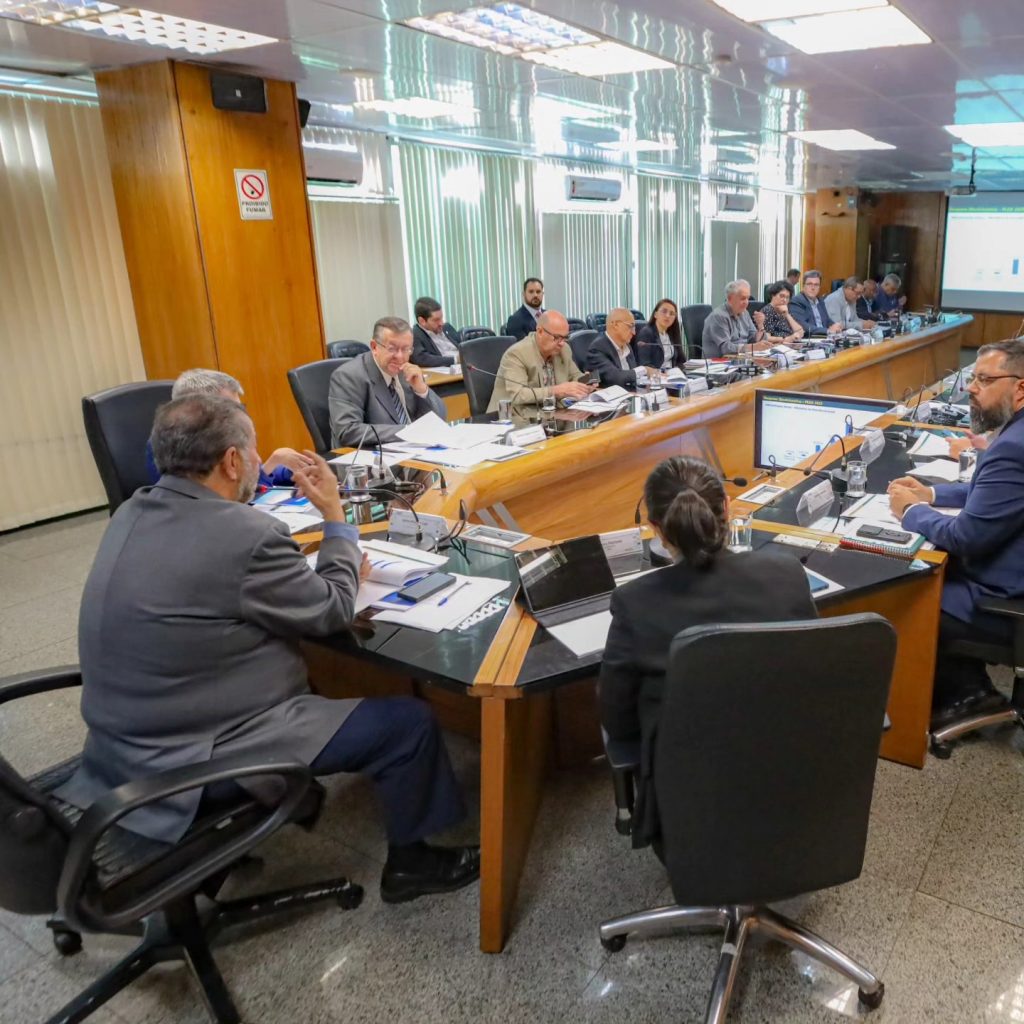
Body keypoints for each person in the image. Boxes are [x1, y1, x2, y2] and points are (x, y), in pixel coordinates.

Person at [58, 394, 479, 902]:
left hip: (116, 747)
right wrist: (334, 518)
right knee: (408, 724)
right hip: (195, 756)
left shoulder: (130, 510)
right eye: (254, 449)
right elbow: (331, 609)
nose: (260, 459)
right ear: (232, 461)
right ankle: (414, 865)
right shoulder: (246, 533)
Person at [599, 456, 818, 848]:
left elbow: (618, 721)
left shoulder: (635, 604)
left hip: (687, 806)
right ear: (728, 510)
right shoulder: (786, 573)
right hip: (790, 779)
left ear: (656, 531)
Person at [887, 340, 1024, 725]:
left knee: (905, 592)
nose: (971, 388)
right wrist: (930, 493)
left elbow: (966, 536)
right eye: (972, 377)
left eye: (984, 379)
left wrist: (911, 511)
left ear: (1020, 388)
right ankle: (971, 687)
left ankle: (924, 708)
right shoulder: (1015, 436)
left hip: (1004, 599)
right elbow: (991, 493)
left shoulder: (1013, 448)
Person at [145, 368, 314, 487]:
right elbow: (227, 497)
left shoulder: (221, 434)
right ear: (197, 409)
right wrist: (269, 466)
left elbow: (243, 475)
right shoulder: (175, 448)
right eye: (231, 410)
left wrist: (291, 474)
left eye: (240, 409)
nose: (240, 416)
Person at [329, 316, 447, 448]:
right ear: (374, 347)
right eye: (392, 349)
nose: (400, 357)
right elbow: (348, 431)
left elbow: (440, 418)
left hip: (415, 454)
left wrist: (422, 390)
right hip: (372, 460)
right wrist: (407, 432)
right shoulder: (349, 376)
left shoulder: (407, 371)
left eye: (406, 349)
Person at [486, 310, 593, 415]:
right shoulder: (516, 354)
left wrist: (585, 383)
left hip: (548, 415)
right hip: (510, 418)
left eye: (565, 338)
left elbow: (574, 375)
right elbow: (518, 395)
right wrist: (556, 391)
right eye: (557, 337)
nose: (561, 343)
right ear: (540, 331)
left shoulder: (564, 350)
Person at [701, 279, 770, 358]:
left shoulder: (745, 313)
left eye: (748, 298)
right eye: (743, 298)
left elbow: (753, 340)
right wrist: (753, 347)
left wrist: (760, 325)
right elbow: (725, 348)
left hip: (740, 360)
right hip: (719, 364)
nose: (746, 302)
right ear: (730, 299)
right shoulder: (718, 316)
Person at [586, 307, 643, 387]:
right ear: (615, 324)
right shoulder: (597, 348)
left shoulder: (626, 345)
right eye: (630, 326)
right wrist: (644, 370)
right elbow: (617, 378)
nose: (634, 333)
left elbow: (632, 377)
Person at [411, 296, 462, 369]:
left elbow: (463, 346)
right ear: (422, 321)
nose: (441, 323)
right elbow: (421, 359)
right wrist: (455, 360)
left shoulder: (447, 327)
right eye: (436, 320)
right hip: (448, 374)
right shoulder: (415, 335)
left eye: (441, 318)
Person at [635, 298, 685, 371]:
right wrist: (662, 374)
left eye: (672, 314)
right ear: (655, 314)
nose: (668, 315)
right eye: (664, 311)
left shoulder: (672, 333)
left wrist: (678, 372)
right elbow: (644, 363)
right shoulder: (646, 333)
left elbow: (681, 360)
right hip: (656, 377)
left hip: (673, 376)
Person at [789, 271, 843, 337]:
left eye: (816, 285)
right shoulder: (796, 301)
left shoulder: (820, 300)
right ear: (803, 286)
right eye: (809, 284)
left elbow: (827, 320)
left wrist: (836, 326)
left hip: (825, 339)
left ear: (819, 287)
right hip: (809, 340)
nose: (813, 288)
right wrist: (827, 331)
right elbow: (803, 326)